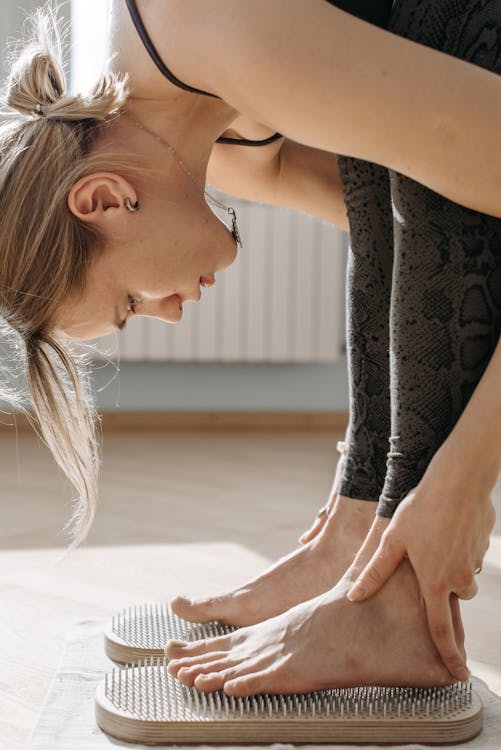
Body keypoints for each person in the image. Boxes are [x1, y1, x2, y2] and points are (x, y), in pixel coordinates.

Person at [0, 0, 499, 697]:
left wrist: (460, 482)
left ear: (106, 199)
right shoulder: (209, 131)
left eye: (130, 304)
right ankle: (359, 548)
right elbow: (413, 233)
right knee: (406, 178)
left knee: (431, 170)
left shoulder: (205, 24)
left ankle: (396, 596)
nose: (168, 313)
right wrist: (365, 495)